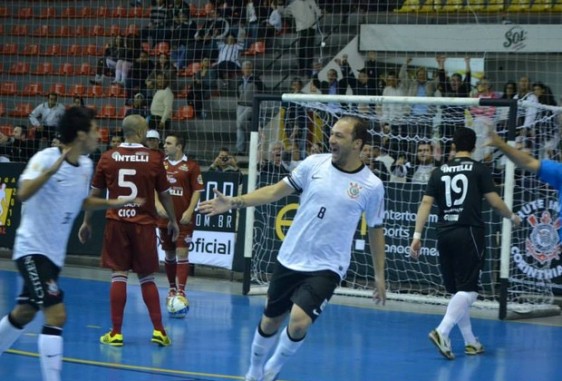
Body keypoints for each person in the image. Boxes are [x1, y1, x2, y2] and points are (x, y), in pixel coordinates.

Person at [199, 116, 386, 381]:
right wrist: (235, 201)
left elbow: (377, 231)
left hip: (328, 266)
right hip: (291, 257)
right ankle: (254, 370)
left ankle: (272, 369)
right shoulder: (313, 164)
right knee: (270, 322)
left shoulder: (372, 186)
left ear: (357, 143)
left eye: (339, 136)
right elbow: (275, 191)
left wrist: (379, 275)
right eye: (331, 134)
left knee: (299, 322)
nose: (332, 139)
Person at [0, 107, 141, 381]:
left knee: (25, 312)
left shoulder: (86, 165)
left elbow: (81, 201)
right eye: (94, 129)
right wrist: (51, 171)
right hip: (32, 250)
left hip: (53, 256)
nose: (99, 135)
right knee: (56, 315)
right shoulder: (45, 158)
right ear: (80, 135)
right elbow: (24, 194)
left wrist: (116, 202)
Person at [409, 127, 521, 360]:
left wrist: (417, 236)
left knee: (459, 292)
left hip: (444, 234)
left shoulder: (438, 171)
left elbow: (425, 204)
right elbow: (494, 201)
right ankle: (442, 331)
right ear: (473, 146)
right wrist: (511, 216)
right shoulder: (479, 169)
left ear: (453, 146)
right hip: (468, 232)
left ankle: (471, 342)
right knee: (469, 292)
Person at [78, 115, 179, 347]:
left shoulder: (107, 157)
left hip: (117, 223)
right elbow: (164, 194)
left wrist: (87, 222)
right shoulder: (155, 158)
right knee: (147, 277)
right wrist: (172, 220)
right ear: (142, 131)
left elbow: (94, 194)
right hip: (143, 225)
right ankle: (159, 331)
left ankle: (116, 333)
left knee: (118, 275)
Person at [155, 134, 204, 305]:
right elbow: (154, 187)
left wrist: (190, 211)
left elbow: (197, 190)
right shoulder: (161, 164)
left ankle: (181, 291)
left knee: (182, 252)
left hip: (183, 219)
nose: (165, 146)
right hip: (164, 218)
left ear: (179, 146)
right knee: (168, 253)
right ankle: (171, 288)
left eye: (169, 143)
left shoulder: (191, 166)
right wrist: (156, 204)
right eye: (165, 143)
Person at [488, 128, 562, 218]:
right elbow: (527, 162)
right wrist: (500, 144)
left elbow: (527, 162)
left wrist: (499, 143)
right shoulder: (559, 171)